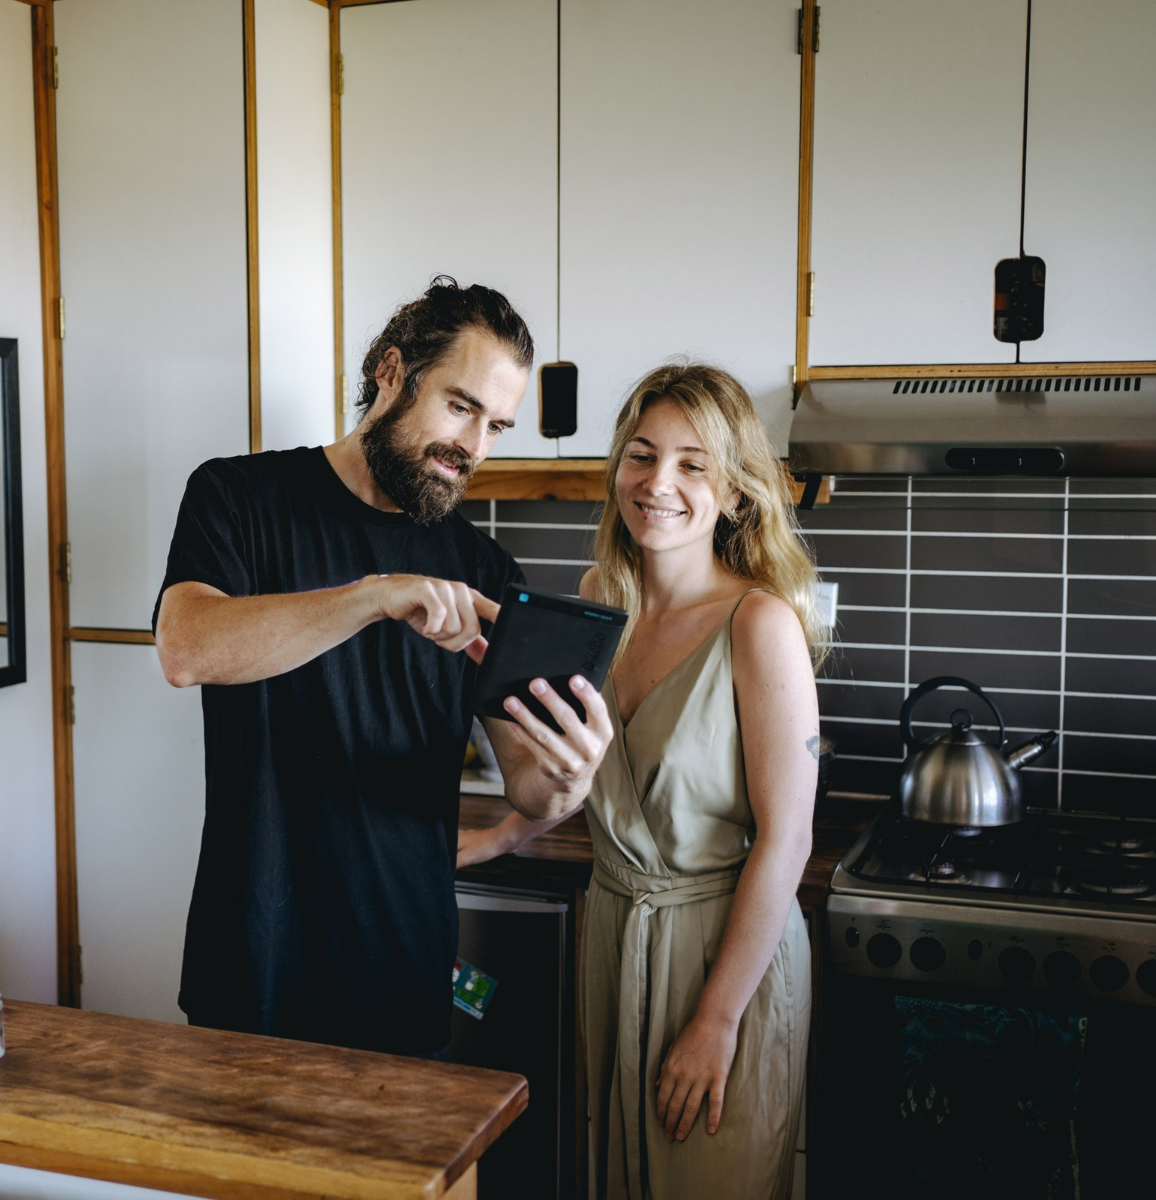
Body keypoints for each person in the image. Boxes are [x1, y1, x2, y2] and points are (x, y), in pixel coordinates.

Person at [154, 276, 614, 1057]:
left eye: (496, 426)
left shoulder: (485, 568)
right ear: (392, 372)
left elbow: (527, 781)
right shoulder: (238, 496)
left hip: (401, 965)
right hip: (254, 957)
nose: (474, 447)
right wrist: (371, 597)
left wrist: (569, 779)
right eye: (461, 406)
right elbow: (186, 647)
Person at [459, 362, 824, 1198]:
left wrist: (717, 1021)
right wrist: (503, 834)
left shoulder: (758, 622)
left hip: (722, 955)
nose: (659, 483)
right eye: (642, 454)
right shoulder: (601, 602)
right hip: (615, 936)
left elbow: (787, 841)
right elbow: (593, 775)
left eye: (694, 463)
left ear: (734, 493)